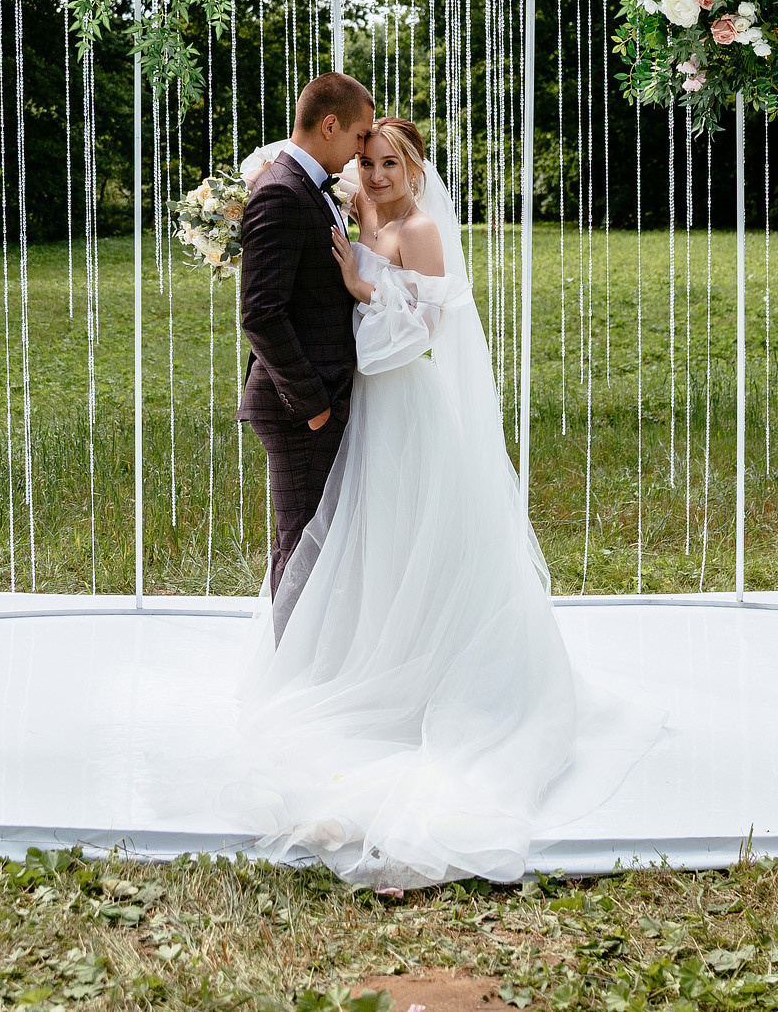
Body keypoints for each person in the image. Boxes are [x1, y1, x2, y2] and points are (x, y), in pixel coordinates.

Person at [232, 115, 593, 887]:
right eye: (368, 161)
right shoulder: (362, 214)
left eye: (391, 162)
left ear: (416, 167)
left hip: (408, 403)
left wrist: (365, 284)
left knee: (420, 537)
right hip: (367, 407)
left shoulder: (422, 232)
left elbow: (424, 334)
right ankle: (366, 657)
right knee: (371, 539)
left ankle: (427, 679)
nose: (378, 173)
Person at [236, 72, 377, 600]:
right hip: (300, 407)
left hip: (320, 397)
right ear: (331, 123)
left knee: (317, 544)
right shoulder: (281, 192)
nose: (362, 149)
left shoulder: (307, 187)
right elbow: (260, 315)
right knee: (301, 549)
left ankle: (310, 668)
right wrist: (313, 405)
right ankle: (292, 676)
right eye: (360, 135)